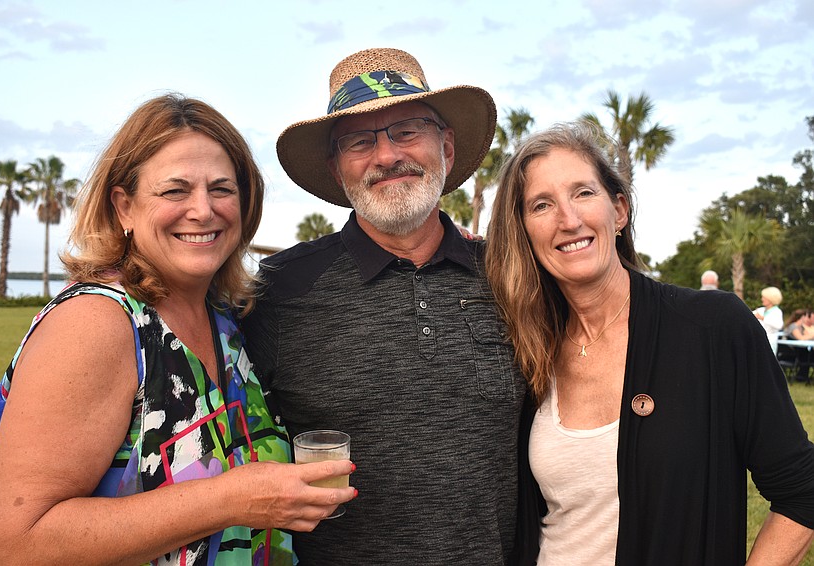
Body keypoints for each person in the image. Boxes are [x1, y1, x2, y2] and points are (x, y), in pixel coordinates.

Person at [0, 94, 356, 565]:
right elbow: (14, 544)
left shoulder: (227, 317)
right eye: (175, 191)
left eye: (222, 189)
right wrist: (232, 498)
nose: (203, 210)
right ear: (124, 207)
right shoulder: (97, 323)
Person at [242, 48, 527, 564]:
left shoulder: (512, 276)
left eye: (407, 131)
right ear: (336, 168)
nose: (386, 155)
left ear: (446, 145)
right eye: (359, 141)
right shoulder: (278, 291)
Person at [485, 121, 814, 564]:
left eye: (583, 193)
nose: (569, 219)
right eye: (541, 205)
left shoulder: (712, 328)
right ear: (523, 231)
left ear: (619, 210)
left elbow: (801, 491)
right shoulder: (528, 348)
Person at [753, 286, 784, 354]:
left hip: (770, 341)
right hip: (758, 341)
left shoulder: (777, 312)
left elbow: (779, 325)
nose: (762, 299)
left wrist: (763, 318)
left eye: (764, 297)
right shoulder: (761, 310)